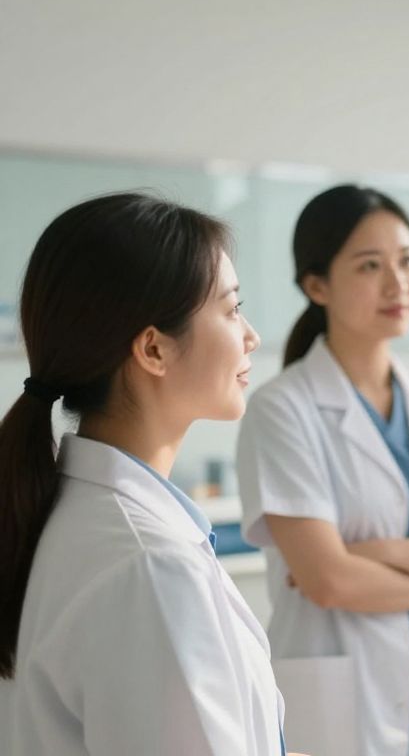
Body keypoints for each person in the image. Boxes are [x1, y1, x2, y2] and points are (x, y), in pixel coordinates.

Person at [236, 185, 409, 756]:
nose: (399, 284)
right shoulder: (283, 410)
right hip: (348, 704)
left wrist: (378, 554)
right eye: (370, 266)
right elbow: (330, 581)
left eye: (407, 260)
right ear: (317, 286)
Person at [1, 193, 289, 754]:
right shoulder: (152, 566)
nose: (250, 335)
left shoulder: (65, 513)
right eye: (232, 310)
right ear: (154, 349)